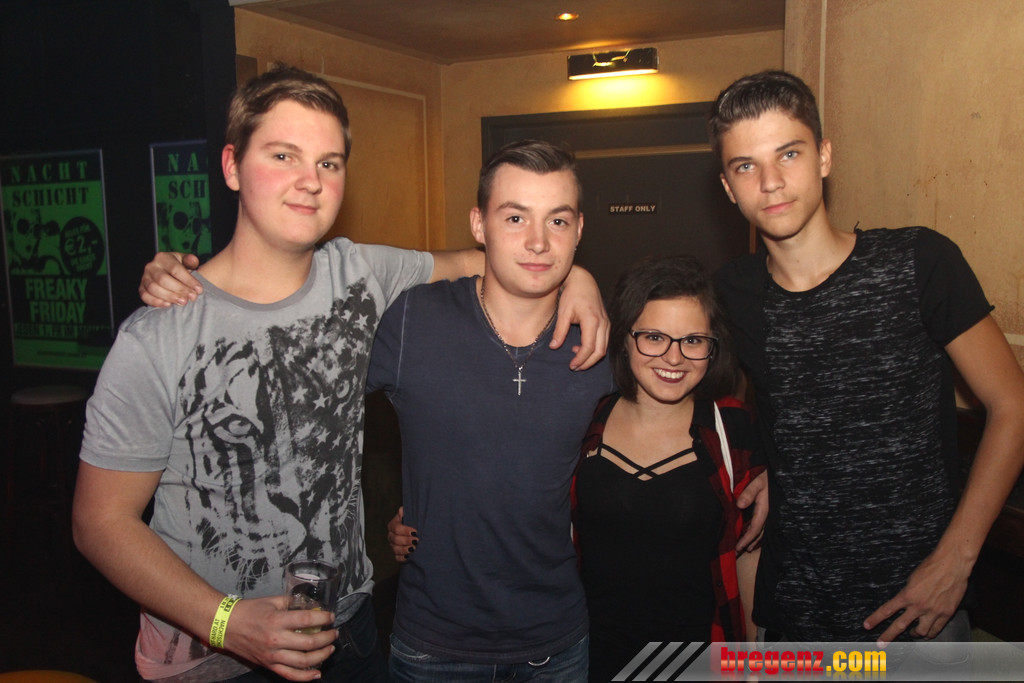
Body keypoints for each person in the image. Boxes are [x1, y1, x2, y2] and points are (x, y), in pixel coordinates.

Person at [73, 66, 606, 683]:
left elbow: (494, 261)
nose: (310, 181)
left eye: (328, 163)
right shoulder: (158, 334)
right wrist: (228, 623)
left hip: (349, 631)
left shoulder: (362, 277)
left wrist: (578, 276)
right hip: (213, 657)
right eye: (283, 155)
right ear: (231, 166)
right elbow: (99, 523)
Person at [708, 69, 1024, 644]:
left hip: (918, 609)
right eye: (746, 166)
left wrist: (955, 561)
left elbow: (1013, 406)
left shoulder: (919, 262)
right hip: (798, 614)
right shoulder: (732, 292)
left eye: (789, 154)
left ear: (824, 157)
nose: (771, 182)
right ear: (728, 187)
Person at [368, 140, 616, 681]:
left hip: (555, 645)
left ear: (579, 230)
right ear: (479, 225)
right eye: (515, 217)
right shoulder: (413, 320)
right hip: (434, 647)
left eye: (557, 220)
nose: (538, 241)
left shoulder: (598, 343)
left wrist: (766, 472)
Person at [571, 254, 763, 681]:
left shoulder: (733, 428)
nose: (674, 358)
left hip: (699, 661)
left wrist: (752, 663)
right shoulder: (584, 421)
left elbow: (749, 551)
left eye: (693, 340)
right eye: (654, 337)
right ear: (624, 338)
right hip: (591, 658)